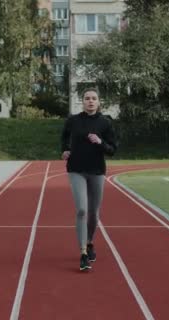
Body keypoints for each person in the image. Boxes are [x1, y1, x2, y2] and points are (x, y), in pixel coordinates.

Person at [60, 88, 118, 271]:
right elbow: (64, 136)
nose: (90, 101)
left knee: (94, 212)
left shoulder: (105, 123)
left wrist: (100, 142)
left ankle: (90, 241)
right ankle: (83, 253)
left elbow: (113, 149)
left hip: (97, 171)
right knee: (82, 210)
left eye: (94, 98)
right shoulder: (73, 120)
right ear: (82, 101)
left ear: (99, 102)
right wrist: (64, 149)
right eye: (87, 98)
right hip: (76, 169)